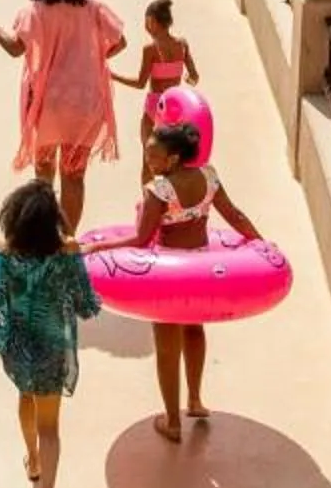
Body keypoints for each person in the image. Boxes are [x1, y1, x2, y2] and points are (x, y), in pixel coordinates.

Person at [108, 122, 263, 442]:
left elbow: (140, 239)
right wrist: (261, 243)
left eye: (153, 155)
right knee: (194, 328)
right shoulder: (209, 177)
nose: (148, 160)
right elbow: (233, 215)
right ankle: (195, 399)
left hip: (169, 276)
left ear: (173, 158)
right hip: (201, 269)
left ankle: (173, 421)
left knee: (167, 346)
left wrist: (97, 247)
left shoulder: (159, 189)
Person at [0, 180, 103, 488]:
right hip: (53, 350)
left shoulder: (4, 252)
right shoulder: (66, 252)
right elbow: (86, 305)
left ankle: (31, 460)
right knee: (51, 427)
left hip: (17, 350)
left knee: (24, 397)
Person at [0, 0, 126, 232]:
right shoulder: (95, 10)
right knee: (75, 176)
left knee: (43, 177)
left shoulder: (34, 11)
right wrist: (93, 60)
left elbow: (14, 48)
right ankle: (68, 238)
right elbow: (120, 42)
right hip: (86, 103)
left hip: (47, 105)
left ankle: (43, 235)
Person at [119, 0, 200, 146]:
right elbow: (194, 78)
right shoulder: (182, 45)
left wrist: (113, 76)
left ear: (151, 21)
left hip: (155, 106)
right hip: (176, 105)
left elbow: (140, 83)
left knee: (149, 161)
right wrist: (188, 78)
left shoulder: (150, 49)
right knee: (170, 159)